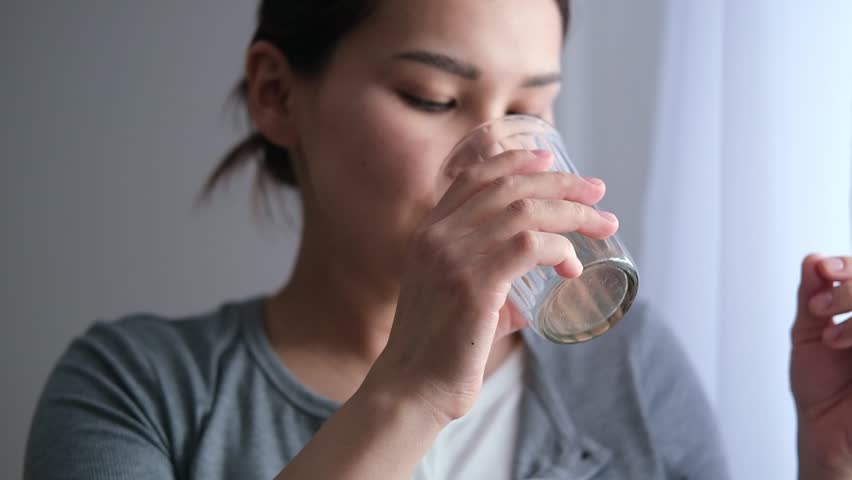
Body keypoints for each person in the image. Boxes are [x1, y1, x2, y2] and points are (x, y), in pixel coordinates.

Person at [21, 1, 852, 479]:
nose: (500, 154)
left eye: (534, 104)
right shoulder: (137, 391)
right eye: (431, 96)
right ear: (276, 94)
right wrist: (411, 392)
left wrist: (830, 461)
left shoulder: (623, 366)